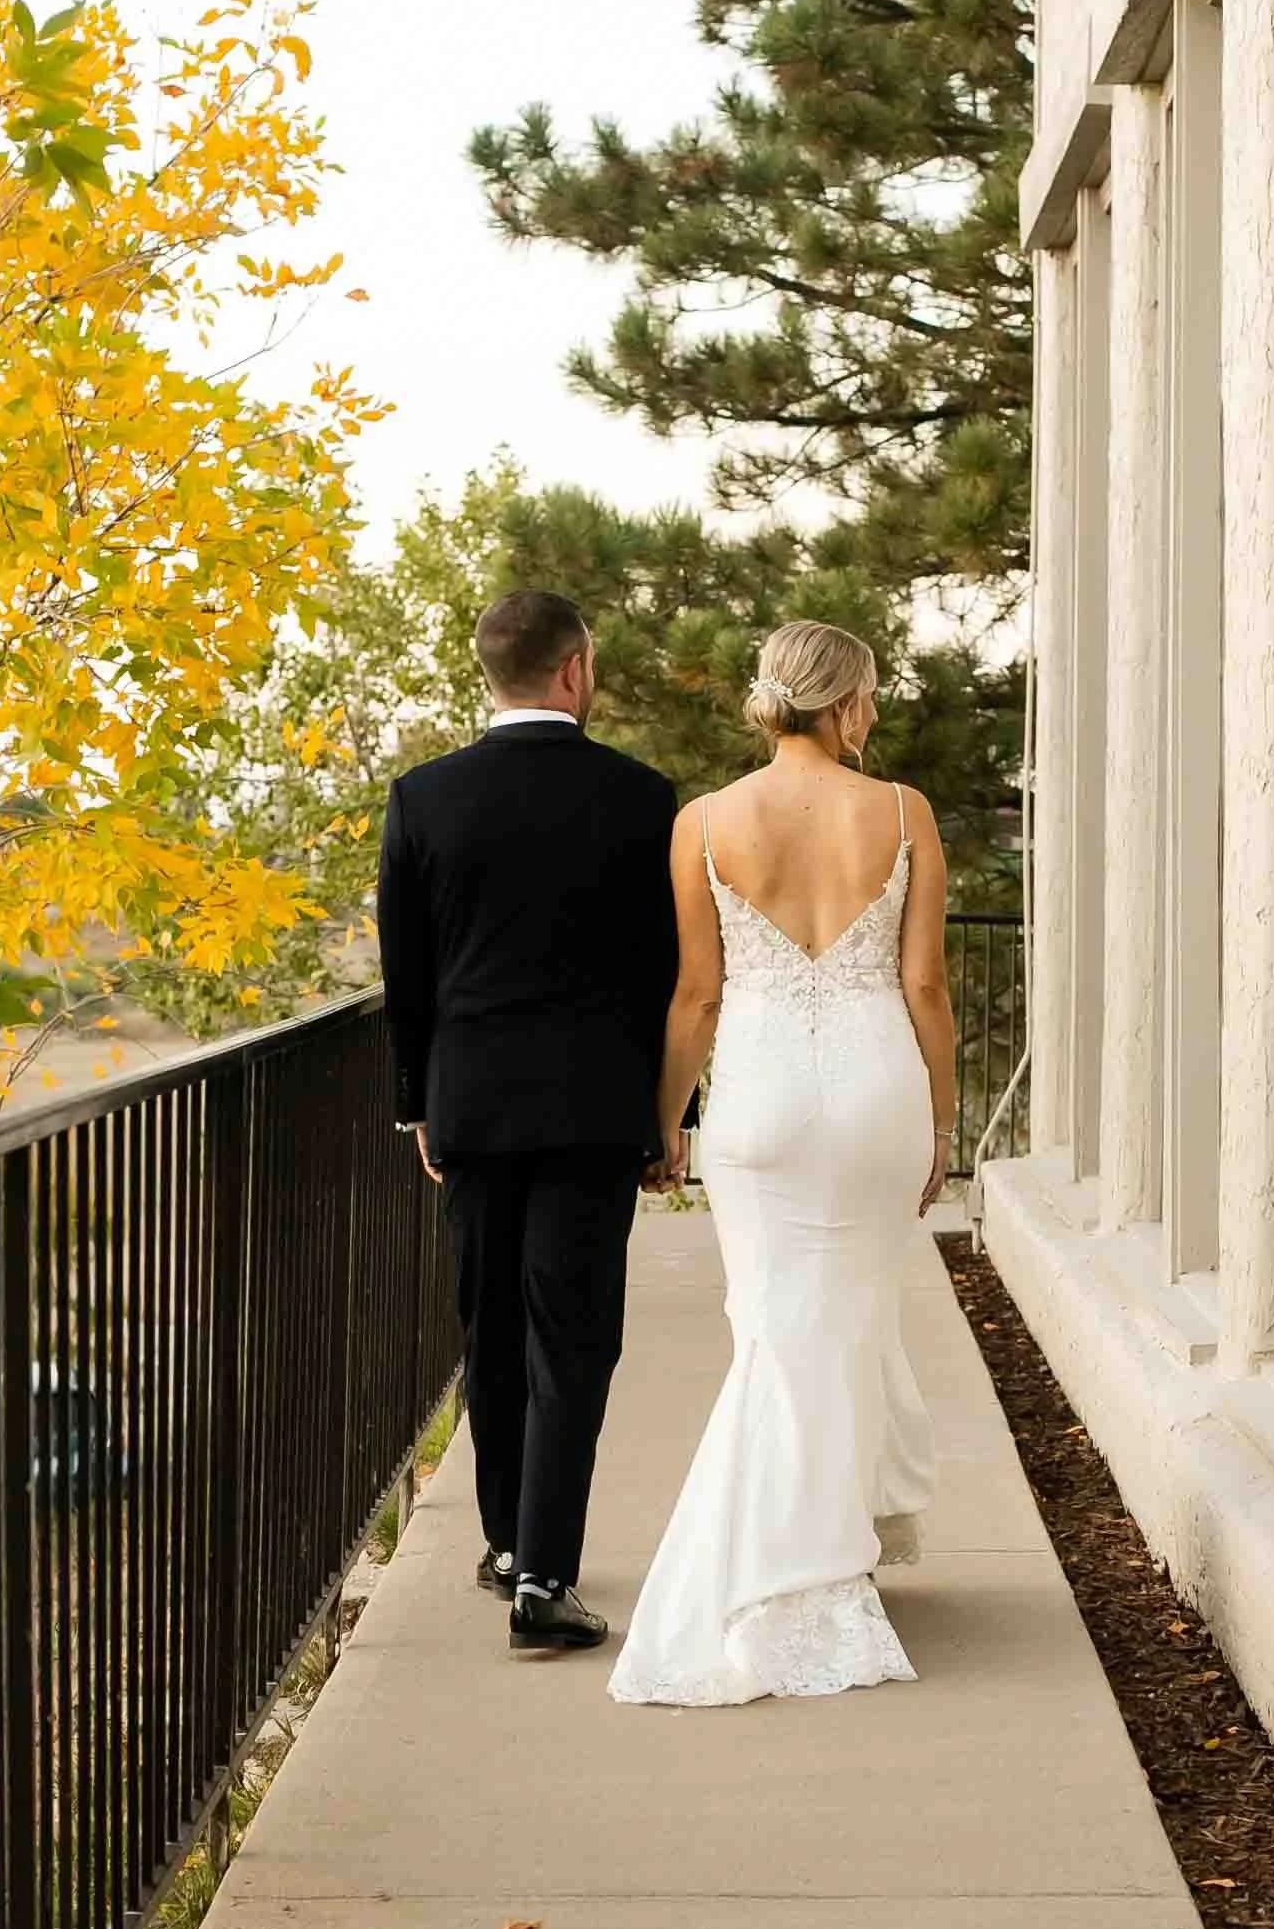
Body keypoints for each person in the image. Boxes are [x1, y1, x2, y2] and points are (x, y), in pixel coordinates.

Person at [608, 620, 953, 1708]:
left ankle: (810, 1548)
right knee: (843, 1320)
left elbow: (695, 996)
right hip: (872, 1092)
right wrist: (942, 1123)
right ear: (848, 702)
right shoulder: (901, 813)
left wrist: (667, 1121)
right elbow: (927, 988)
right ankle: (799, 1568)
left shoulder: (702, 821)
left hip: (754, 1096)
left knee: (769, 1324)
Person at [377, 590, 680, 1655]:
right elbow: (668, 974)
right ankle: (543, 1573)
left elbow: (403, 976)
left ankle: (508, 1542)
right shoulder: (644, 799)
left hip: (471, 1104)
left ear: (486, 672)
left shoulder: (422, 799)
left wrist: (416, 1101)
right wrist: (670, 1109)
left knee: (487, 1326)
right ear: (575, 668)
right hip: (596, 1110)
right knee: (573, 1336)